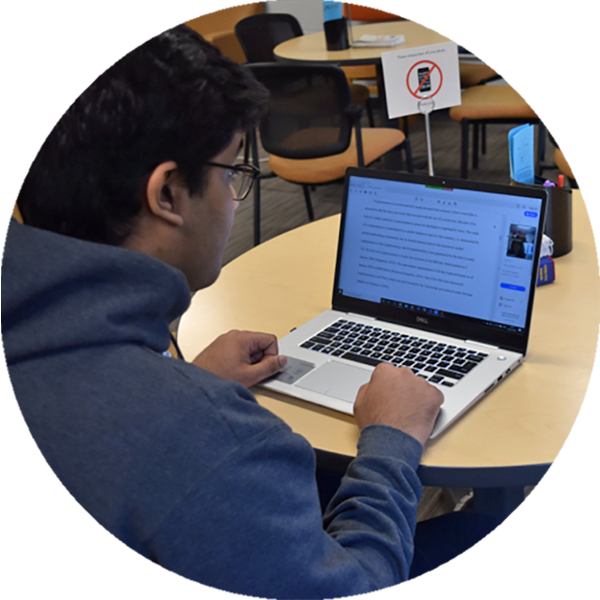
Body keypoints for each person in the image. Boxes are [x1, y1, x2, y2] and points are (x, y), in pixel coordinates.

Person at [1, 4, 507, 598]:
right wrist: (392, 440)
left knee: (318, 468)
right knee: (484, 540)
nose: (236, 197)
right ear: (168, 193)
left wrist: (185, 379)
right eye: (231, 171)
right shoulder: (207, 436)